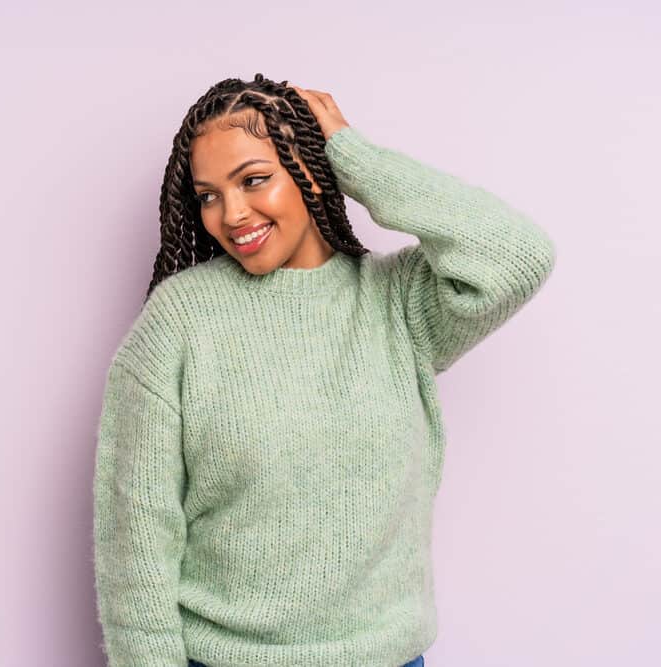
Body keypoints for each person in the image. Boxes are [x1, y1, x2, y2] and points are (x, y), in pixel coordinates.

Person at [92, 73, 556, 667]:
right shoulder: (180, 321)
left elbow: (516, 255)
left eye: (254, 179)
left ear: (309, 173)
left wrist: (350, 154)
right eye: (209, 195)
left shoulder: (397, 304)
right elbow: (135, 537)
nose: (231, 214)